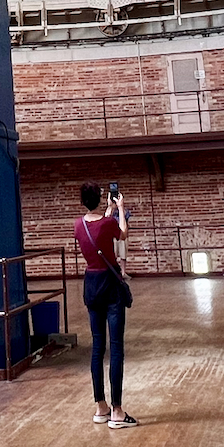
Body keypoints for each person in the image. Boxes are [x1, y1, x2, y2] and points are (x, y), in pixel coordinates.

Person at [75, 182, 136, 429]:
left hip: (91, 284)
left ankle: (101, 406)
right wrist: (120, 208)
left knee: (97, 347)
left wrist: (107, 211)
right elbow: (122, 233)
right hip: (110, 286)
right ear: (101, 198)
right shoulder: (108, 221)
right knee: (116, 348)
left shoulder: (78, 225)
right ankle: (118, 411)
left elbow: (96, 232)